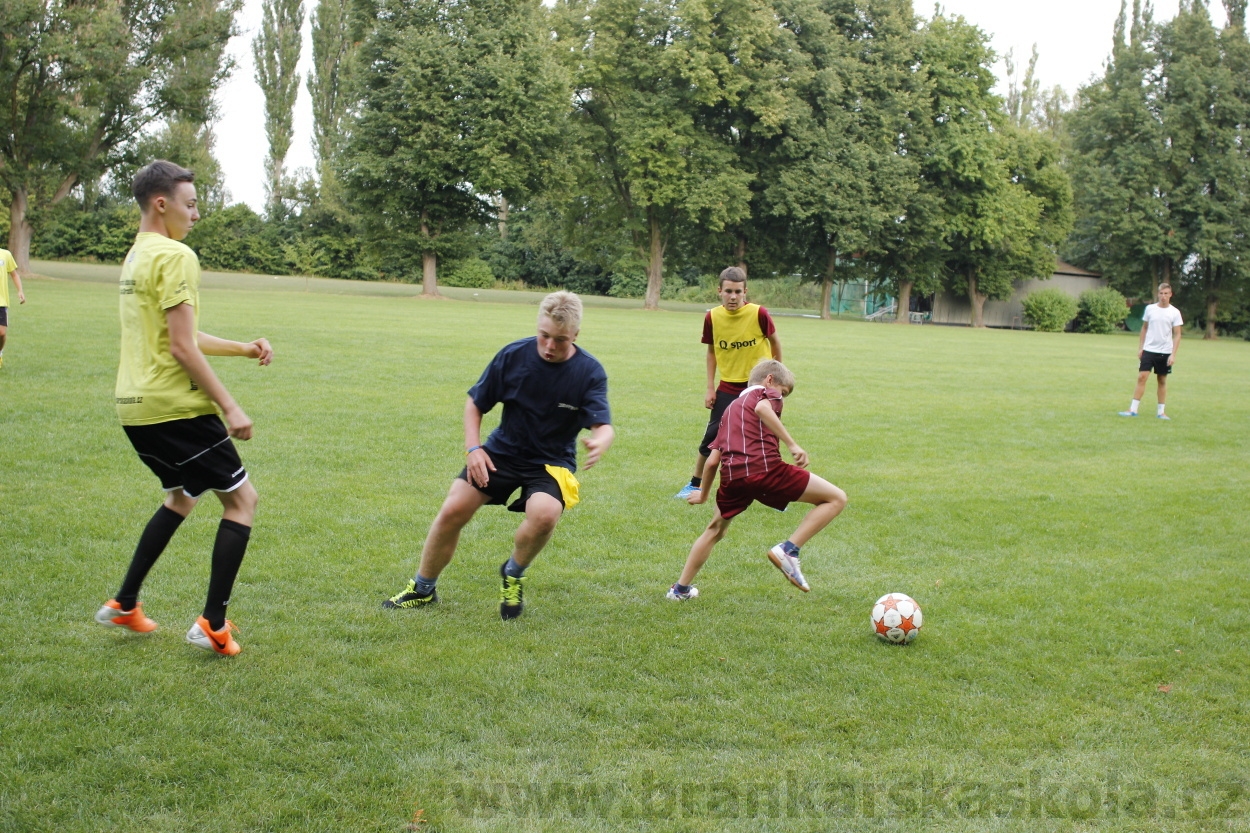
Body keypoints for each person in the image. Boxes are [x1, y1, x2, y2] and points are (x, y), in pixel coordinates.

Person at [94, 160, 273, 656]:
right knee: (242, 502)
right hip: (176, 407)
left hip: (134, 407)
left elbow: (179, 335)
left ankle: (125, 603)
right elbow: (181, 348)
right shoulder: (176, 256)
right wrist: (231, 406)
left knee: (182, 497)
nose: (196, 214)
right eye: (190, 204)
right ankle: (212, 623)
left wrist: (241, 347)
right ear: (162, 203)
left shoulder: (137, 256)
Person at [384, 291, 614, 620]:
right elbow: (475, 404)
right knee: (452, 511)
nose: (549, 346)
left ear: (576, 335)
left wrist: (601, 439)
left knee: (545, 515)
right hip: (501, 453)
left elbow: (604, 425)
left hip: (551, 463)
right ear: (537, 327)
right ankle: (422, 589)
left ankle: (513, 572)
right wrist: (474, 448)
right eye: (544, 336)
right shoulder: (513, 356)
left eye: (560, 340)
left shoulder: (589, 372)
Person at [668, 359, 847, 600]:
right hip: (765, 469)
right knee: (836, 498)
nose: (780, 398)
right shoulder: (767, 393)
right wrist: (792, 444)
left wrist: (703, 494)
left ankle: (679, 590)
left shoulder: (729, 410)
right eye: (783, 393)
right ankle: (788, 550)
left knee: (714, 530)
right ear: (770, 379)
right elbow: (763, 409)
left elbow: (712, 462)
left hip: (733, 477)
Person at [674, 266, 781, 499]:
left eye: (738, 292)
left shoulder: (759, 313)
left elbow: (775, 342)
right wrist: (710, 387)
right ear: (719, 291)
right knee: (712, 438)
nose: (733, 297)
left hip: (758, 387)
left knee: (765, 439)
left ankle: (772, 488)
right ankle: (695, 484)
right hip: (728, 387)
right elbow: (712, 351)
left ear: (745, 292)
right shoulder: (712, 317)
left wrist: (774, 381)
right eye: (728, 291)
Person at [1119, 283, 1182, 420]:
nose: (1163, 296)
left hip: (1165, 352)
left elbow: (1177, 334)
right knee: (1142, 377)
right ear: (1157, 294)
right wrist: (1141, 347)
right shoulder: (1150, 309)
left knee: (1162, 380)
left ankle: (1161, 412)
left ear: (1170, 295)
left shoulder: (1174, 312)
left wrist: (1173, 354)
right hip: (1149, 349)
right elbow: (1144, 328)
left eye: (1166, 293)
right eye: (1161, 293)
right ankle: (1132, 409)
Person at [0, 246, 26, 369]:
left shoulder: (5, 255)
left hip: (1, 301)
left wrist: (20, 291)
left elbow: (14, 275)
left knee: (1, 332)